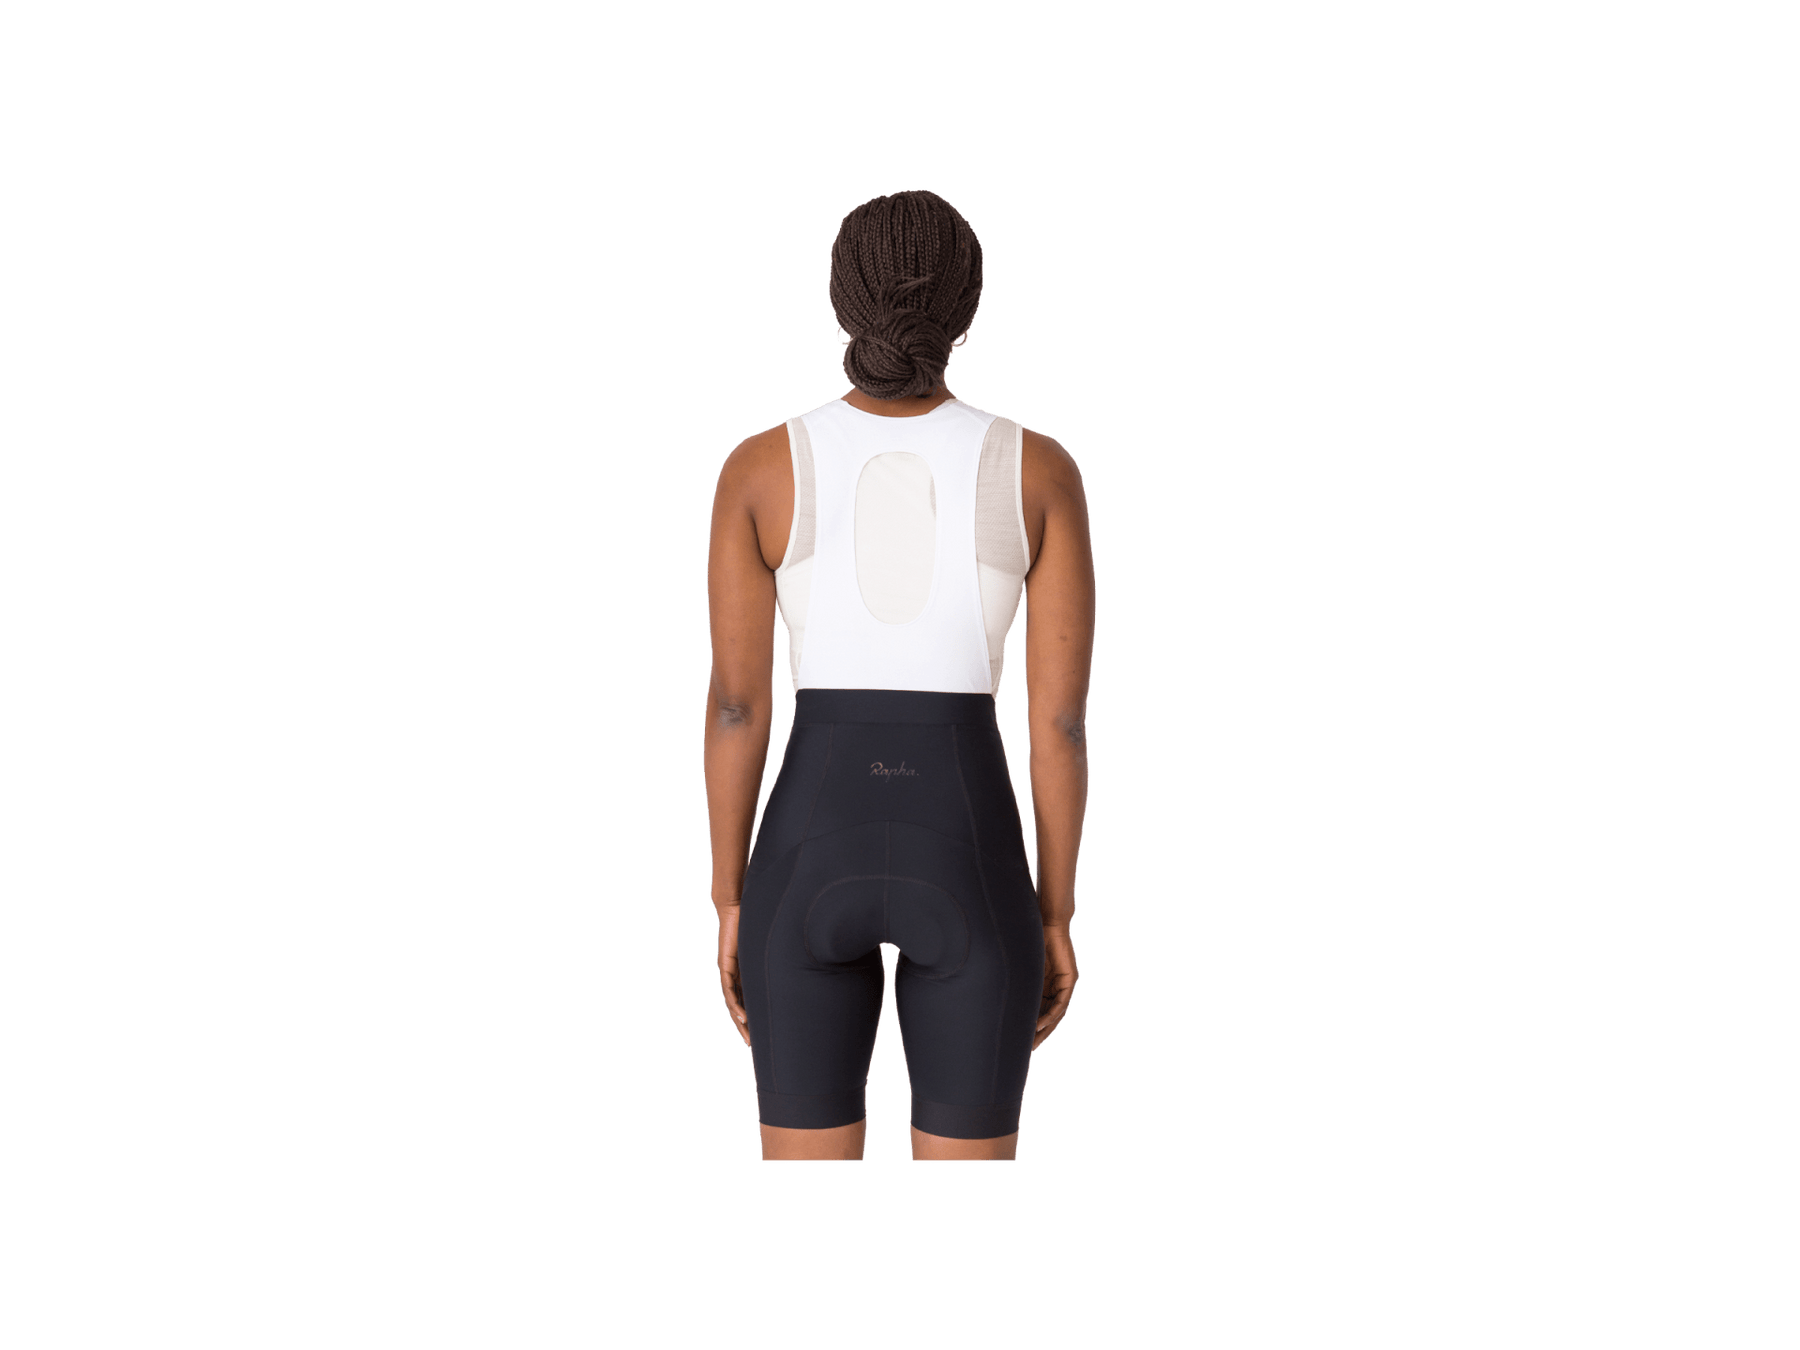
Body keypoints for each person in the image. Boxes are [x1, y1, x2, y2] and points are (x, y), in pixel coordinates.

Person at [704, 189, 1095, 1163]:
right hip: (971, 855)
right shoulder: (1038, 469)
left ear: (840, 303)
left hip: (803, 857)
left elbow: (738, 707)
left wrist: (733, 900)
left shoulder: (761, 467)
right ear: (968, 312)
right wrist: (1053, 913)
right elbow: (1059, 727)